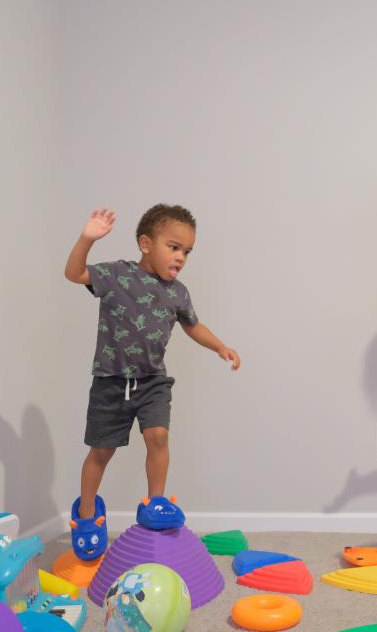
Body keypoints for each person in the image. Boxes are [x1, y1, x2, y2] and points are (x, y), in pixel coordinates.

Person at [64, 204, 240, 558]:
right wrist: (87, 238)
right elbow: (74, 273)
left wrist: (219, 345)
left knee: (158, 436)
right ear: (146, 244)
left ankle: (155, 503)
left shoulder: (178, 292)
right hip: (110, 381)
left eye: (187, 251)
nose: (181, 257)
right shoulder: (116, 275)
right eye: (173, 247)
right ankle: (86, 515)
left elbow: (193, 325)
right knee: (101, 451)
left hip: (152, 381)